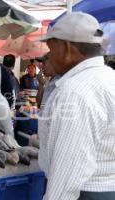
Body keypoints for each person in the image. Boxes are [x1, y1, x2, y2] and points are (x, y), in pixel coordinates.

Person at [38, 12, 115, 200]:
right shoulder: (109, 77)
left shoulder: (74, 91)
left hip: (84, 193)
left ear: (66, 47)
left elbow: (67, 172)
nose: (49, 55)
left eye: (51, 47)